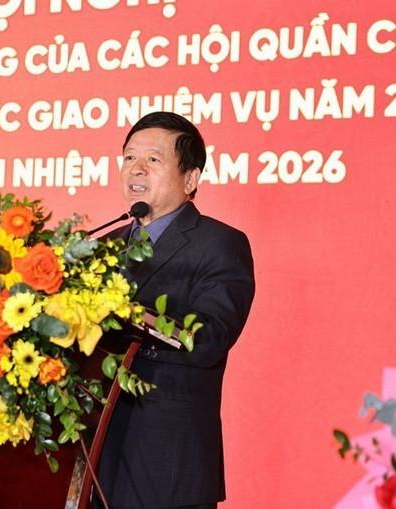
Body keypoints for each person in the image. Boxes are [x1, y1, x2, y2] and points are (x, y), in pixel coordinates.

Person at [96, 112, 255, 509]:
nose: (136, 168)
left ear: (190, 179)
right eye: (129, 157)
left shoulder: (219, 244)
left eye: (153, 159)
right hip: (94, 459)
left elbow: (210, 338)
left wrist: (131, 314)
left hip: (167, 467)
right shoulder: (100, 248)